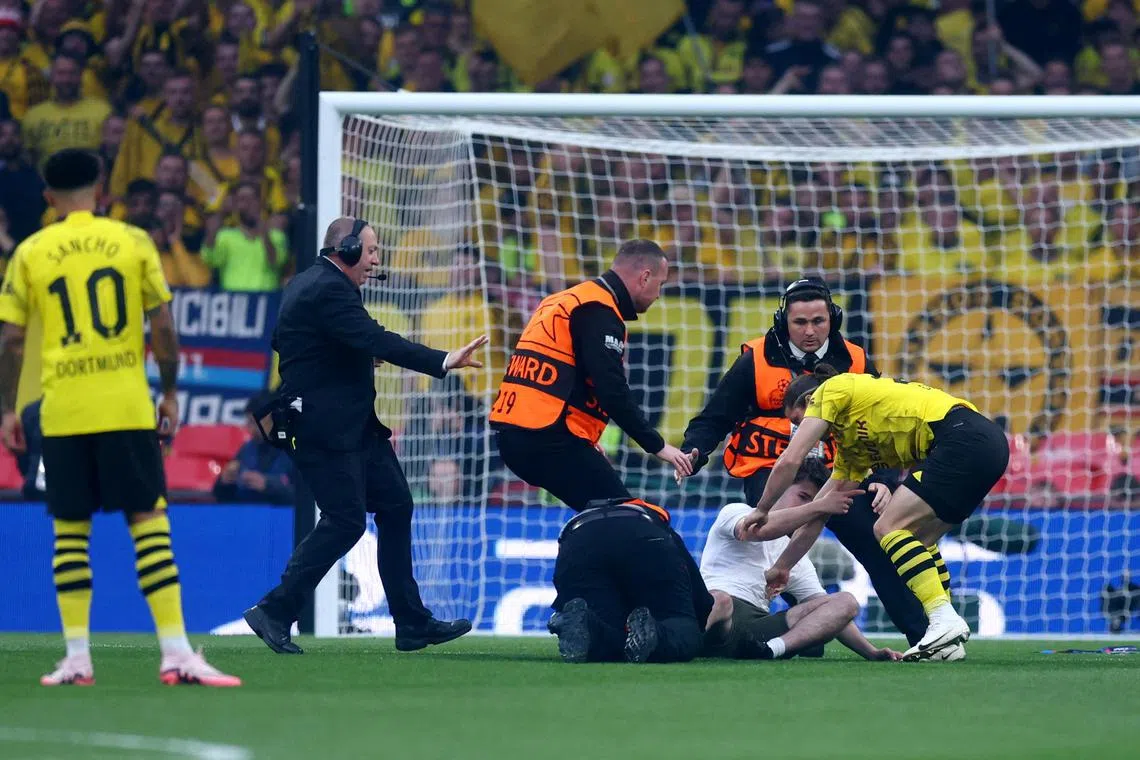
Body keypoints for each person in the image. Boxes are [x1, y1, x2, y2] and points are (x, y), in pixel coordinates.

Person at [0, 148, 239, 687]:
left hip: (63, 411)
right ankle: (176, 653)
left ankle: (77, 658)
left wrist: (7, 410)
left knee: (69, 533)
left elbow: (12, 341)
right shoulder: (132, 241)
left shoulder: (32, 251)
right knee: (149, 524)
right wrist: (172, 393)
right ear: (101, 187)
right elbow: (164, 327)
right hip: (126, 406)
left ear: (47, 198)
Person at [242, 217, 487, 655]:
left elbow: (288, 340)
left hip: (353, 427)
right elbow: (375, 338)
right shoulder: (330, 288)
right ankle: (276, 610)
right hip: (324, 427)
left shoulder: (308, 282)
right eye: (371, 251)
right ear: (348, 249)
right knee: (345, 521)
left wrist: (341, 358)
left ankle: (411, 623)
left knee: (396, 505)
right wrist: (445, 359)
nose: (376, 259)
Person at [679, 277, 929, 647]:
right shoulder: (756, 359)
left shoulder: (856, 361)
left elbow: (882, 424)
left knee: (877, 540)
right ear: (784, 322)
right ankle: (803, 633)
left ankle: (924, 636)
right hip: (768, 468)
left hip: (841, 470)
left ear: (833, 319)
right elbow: (716, 416)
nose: (810, 331)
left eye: (819, 321)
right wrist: (694, 451)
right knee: (779, 533)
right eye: (800, 323)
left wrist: (884, 478)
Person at [737, 365, 1010, 661]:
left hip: (961, 438)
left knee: (887, 527)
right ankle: (946, 637)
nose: (799, 429)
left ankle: (943, 618)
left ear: (809, 400)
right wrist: (783, 566)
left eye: (796, 420)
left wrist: (762, 509)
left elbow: (791, 459)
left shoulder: (832, 389)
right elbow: (819, 516)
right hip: (986, 445)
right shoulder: (852, 450)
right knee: (921, 539)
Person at [491, 239, 693, 511]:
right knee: (625, 518)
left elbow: (561, 376)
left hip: (517, 433)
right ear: (645, 277)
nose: (658, 294)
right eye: (661, 284)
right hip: (546, 437)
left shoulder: (563, 300)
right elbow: (611, 390)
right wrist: (657, 445)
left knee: (602, 514)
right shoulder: (598, 310)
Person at [700, 458, 907, 662]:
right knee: (720, 600)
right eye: (803, 496)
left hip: (756, 629)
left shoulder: (795, 555)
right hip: (718, 613)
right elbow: (758, 530)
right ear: (780, 488)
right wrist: (820, 507)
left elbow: (826, 608)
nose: (807, 506)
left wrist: (871, 652)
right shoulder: (736, 511)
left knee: (846, 603)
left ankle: (771, 650)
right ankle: (687, 642)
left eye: (812, 501)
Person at [546, 497, 712, 664]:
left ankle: (590, 627)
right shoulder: (656, 521)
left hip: (577, 543)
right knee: (684, 630)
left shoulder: (580, 522)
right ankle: (654, 634)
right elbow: (701, 600)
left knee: (604, 630)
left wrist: (563, 610)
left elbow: (564, 585)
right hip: (643, 536)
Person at [212, 393, 295, 505]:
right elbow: (222, 497)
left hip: (283, 519)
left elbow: (305, 499)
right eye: (248, 422)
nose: (249, 429)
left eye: (253, 422)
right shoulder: (247, 449)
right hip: (247, 516)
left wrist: (268, 485)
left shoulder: (296, 450)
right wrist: (224, 482)